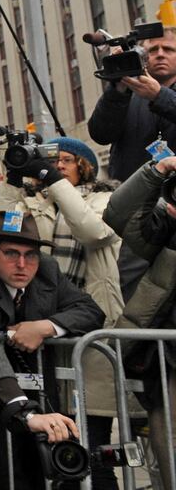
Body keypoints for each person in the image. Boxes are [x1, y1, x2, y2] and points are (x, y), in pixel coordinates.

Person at [0, 137, 130, 488]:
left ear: (86, 166)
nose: (57, 165)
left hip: (90, 332)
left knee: (92, 444)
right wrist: (13, 182)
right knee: (52, 448)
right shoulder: (34, 204)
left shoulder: (106, 200)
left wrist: (51, 178)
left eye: (65, 160)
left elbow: (92, 232)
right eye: (50, 160)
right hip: (41, 333)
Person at [0, 212, 105, 489]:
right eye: (11, 253)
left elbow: (90, 311)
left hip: (33, 394)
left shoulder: (47, 269)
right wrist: (23, 410)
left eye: (30, 254)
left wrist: (45, 327)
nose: (22, 264)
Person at [103, 155, 176, 490]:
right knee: (171, 460)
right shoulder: (167, 229)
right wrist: (158, 170)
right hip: (170, 367)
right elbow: (118, 215)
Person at [88, 28, 176, 181]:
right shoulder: (125, 94)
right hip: (133, 196)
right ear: (142, 56)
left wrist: (159, 95)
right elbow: (100, 134)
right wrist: (117, 88)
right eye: (153, 50)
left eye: (168, 49)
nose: (160, 54)